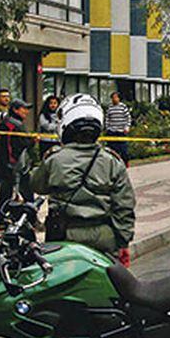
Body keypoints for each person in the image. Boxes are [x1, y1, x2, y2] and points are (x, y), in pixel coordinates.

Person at [31, 94, 135, 264]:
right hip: (104, 236)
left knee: (64, 287)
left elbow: (36, 185)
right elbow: (124, 205)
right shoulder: (112, 161)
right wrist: (123, 242)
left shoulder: (55, 159)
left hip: (65, 237)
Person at [0, 98, 34, 230]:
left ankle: (17, 219)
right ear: (15, 109)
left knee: (16, 193)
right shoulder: (12, 124)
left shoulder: (16, 123)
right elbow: (17, 144)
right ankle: (5, 220)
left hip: (16, 164)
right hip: (11, 165)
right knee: (10, 194)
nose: (26, 111)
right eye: (23, 108)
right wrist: (31, 141)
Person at [105, 91, 132, 166]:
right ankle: (115, 165)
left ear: (119, 98)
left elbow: (128, 118)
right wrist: (108, 128)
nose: (114, 99)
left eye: (115, 97)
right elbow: (107, 118)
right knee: (113, 150)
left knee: (124, 150)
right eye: (113, 98)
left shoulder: (123, 107)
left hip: (121, 131)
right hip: (112, 131)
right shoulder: (110, 107)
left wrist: (127, 127)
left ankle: (126, 162)